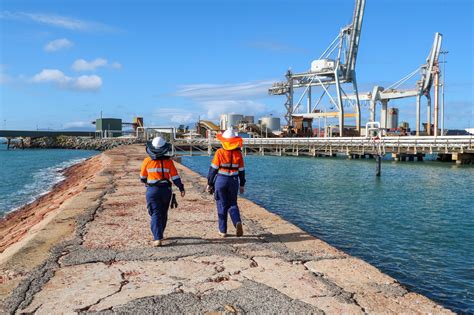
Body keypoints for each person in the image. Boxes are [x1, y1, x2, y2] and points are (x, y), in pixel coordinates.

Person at [140, 136, 185, 247]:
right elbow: (175, 178)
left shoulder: (147, 161)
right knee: (163, 212)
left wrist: (147, 181)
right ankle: (160, 233)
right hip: (166, 191)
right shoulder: (169, 162)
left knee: (155, 213)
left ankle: (157, 237)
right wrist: (181, 188)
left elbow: (142, 177)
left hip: (152, 190)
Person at [206, 128, 246, 237]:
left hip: (221, 180)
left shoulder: (219, 152)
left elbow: (213, 170)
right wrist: (242, 184)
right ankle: (237, 221)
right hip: (233, 181)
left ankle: (223, 231)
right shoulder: (238, 154)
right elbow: (242, 171)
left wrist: (209, 183)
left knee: (221, 204)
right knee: (232, 203)